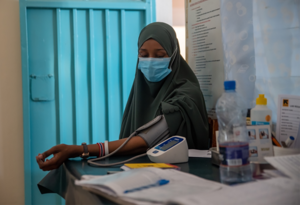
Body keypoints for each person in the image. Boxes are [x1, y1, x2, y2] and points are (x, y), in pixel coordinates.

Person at [36, 22, 209, 171]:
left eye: (160, 55)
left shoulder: (187, 95)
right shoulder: (141, 91)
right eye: (143, 54)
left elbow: (145, 140)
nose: (150, 61)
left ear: (173, 57)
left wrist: (80, 150)